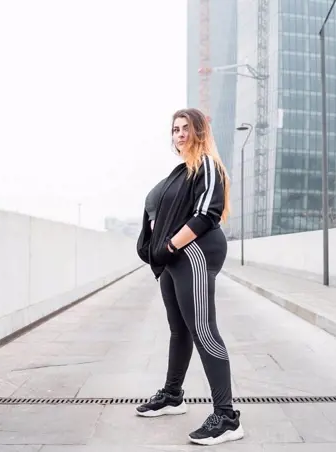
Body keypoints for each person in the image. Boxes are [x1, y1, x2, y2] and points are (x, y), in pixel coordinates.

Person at [135, 108, 244, 446]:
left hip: (193, 251)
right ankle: (172, 395)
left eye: (186, 128)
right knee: (178, 329)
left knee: (202, 329)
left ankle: (226, 418)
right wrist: (160, 242)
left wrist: (168, 244)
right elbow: (157, 208)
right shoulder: (178, 172)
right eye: (175, 129)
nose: (179, 134)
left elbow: (206, 214)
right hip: (172, 256)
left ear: (199, 132)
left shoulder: (207, 165)